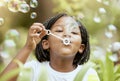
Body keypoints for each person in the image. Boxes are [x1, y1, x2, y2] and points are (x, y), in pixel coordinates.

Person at [0, 13, 100, 81]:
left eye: (73, 32)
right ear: (46, 43)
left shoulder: (88, 74)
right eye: (59, 31)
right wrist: (28, 47)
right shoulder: (34, 69)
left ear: (81, 47)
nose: (67, 35)